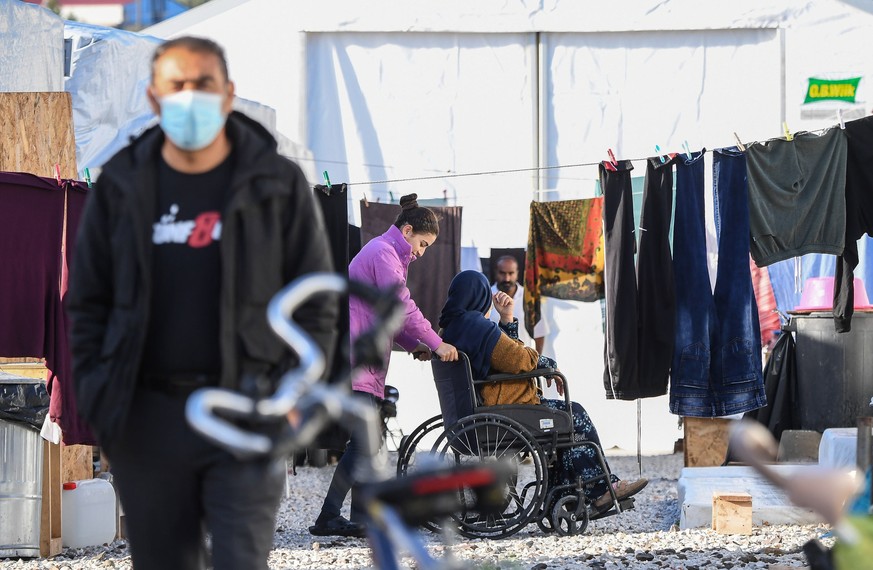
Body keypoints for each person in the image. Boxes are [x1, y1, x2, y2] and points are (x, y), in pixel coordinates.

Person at [67, 36, 337, 570]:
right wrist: (103, 403)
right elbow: (87, 304)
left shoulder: (275, 182)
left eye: (203, 84)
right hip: (147, 418)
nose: (190, 97)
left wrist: (294, 392)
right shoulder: (122, 184)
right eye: (177, 86)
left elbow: (316, 301)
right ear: (153, 98)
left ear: (228, 92)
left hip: (248, 409)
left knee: (241, 560)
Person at [309, 193, 459, 538]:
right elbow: (402, 307)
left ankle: (357, 516)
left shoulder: (386, 252)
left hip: (364, 362)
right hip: (357, 361)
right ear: (407, 230)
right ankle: (330, 516)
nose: (422, 252)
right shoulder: (383, 253)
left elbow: (386, 315)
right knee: (364, 443)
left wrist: (415, 345)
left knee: (368, 443)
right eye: (422, 244)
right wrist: (438, 344)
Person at [439, 270, 647, 512]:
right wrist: (547, 364)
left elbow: (503, 356)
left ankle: (564, 492)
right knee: (572, 414)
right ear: (480, 295)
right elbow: (519, 360)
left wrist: (506, 320)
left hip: (480, 413)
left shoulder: (454, 327)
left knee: (563, 420)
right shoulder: (476, 327)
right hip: (503, 411)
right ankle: (599, 490)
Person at [490, 255, 549, 354]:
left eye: (511, 273)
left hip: (522, 362)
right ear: (496, 272)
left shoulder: (529, 298)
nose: (507, 278)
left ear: (517, 273)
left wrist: (535, 363)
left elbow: (539, 333)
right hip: (492, 362)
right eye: (502, 273)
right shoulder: (486, 296)